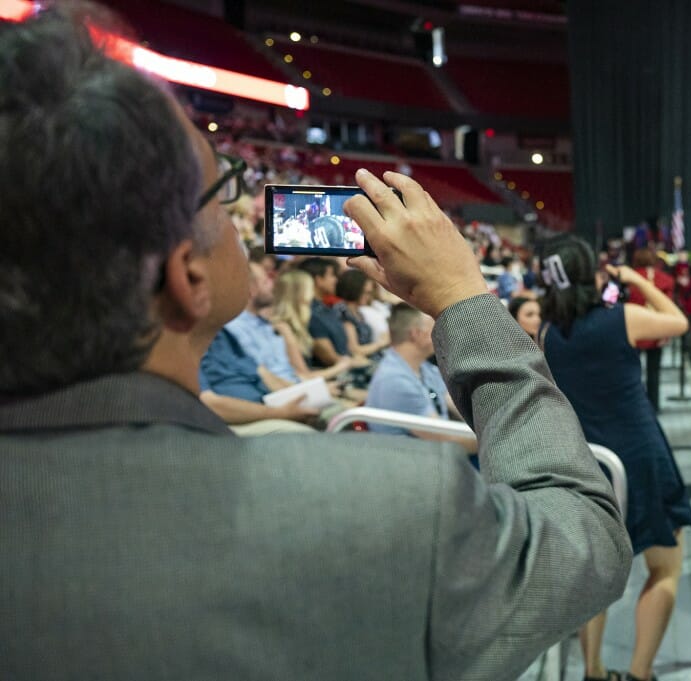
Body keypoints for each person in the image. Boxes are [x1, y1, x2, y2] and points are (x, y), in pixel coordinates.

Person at [0, 7, 632, 680]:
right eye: (224, 189)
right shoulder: (392, 511)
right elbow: (586, 536)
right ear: (186, 277)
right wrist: (463, 301)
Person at [538, 235, 691, 681]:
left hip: (588, 462)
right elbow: (678, 322)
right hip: (641, 457)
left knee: (596, 576)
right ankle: (641, 673)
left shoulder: (547, 332)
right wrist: (636, 280)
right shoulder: (621, 318)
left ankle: (593, 671)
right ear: (595, 274)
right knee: (665, 568)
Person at [365, 304, 476, 452]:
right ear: (416, 334)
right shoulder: (396, 382)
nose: (440, 335)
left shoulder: (423, 368)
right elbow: (449, 441)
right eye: (434, 329)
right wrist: (494, 441)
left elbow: (453, 402)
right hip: (412, 465)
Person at [628, 248, 675, 411]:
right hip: (657, 330)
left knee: (633, 372)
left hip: (633, 331)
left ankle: (636, 405)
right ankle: (654, 406)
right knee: (654, 372)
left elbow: (613, 302)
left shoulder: (629, 278)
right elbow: (668, 309)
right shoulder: (666, 279)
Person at [335, 268, 390, 361]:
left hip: (371, 359)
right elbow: (354, 349)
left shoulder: (358, 312)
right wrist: (382, 343)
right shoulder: (343, 312)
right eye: (366, 293)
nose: (368, 297)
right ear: (355, 290)